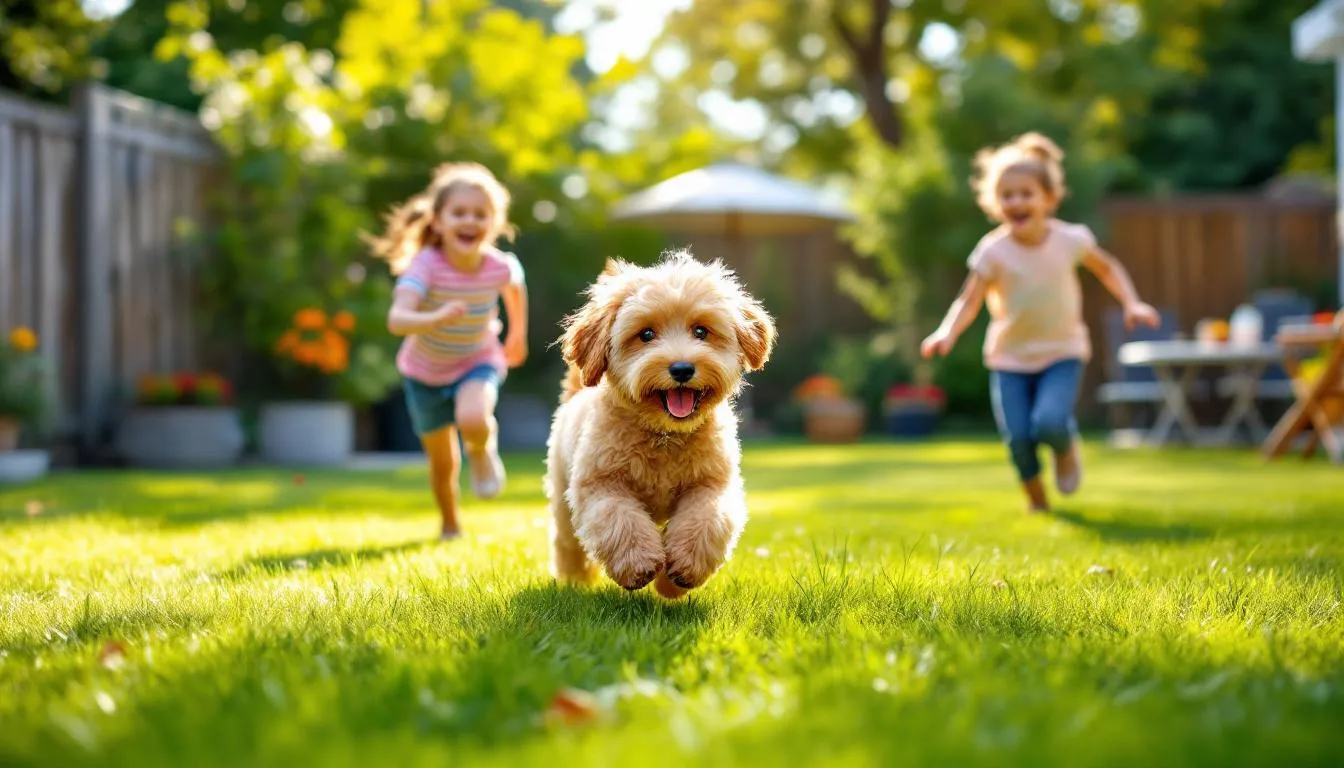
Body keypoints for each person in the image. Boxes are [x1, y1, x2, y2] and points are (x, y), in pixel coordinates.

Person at [921, 132, 1160, 512]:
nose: (1016, 201)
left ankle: (1065, 450)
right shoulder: (993, 251)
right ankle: (1037, 502)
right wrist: (947, 331)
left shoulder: (1070, 240)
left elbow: (1107, 269)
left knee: (1049, 422)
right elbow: (969, 300)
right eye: (1007, 195)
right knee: (1018, 437)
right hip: (1009, 359)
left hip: (1061, 353)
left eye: (1025, 193)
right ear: (995, 204)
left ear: (1048, 198)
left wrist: (1132, 302)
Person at [368, 162, 528, 539]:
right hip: (424, 374)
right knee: (442, 464)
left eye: (480, 214)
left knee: (473, 417)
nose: (469, 221)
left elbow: (515, 284)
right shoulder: (426, 265)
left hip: (477, 360)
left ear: (494, 223)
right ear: (437, 221)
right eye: (459, 213)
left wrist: (517, 334)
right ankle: (450, 524)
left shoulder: (496, 265)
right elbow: (397, 319)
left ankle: (481, 450)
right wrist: (435, 317)